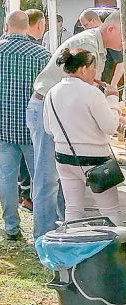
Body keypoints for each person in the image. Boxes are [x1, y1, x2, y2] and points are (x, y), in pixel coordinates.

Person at [29, 11, 122, 237]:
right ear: (83, 68)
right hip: (87, 153)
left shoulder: (60, 89)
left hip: (64, 147)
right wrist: (111, 99)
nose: (123, 43)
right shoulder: (87, 46)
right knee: (46, 179)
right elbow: (107, 124)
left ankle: (68, 241)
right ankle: (44, 235)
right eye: (123, 36)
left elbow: (54, 127)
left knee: (71, 203)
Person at [0, 11, 50, 240]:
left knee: (7, 178)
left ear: (6, 26)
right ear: (28, 26)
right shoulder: (41, 54)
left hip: (1, 124)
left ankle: (11, 227)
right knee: (40, 178)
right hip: (31, 126)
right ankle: (42, 229)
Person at [43, 48, 125, 226]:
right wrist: (112, 100)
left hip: (64, 156)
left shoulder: (52, 92)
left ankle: (73, 245)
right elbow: (110, 126)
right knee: (110, 210)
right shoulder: (93, 93)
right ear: (83, 69)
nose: (96, 72)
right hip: (94, 158)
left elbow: (49, 129)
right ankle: (117, 248)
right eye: (93, 68)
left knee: (73, 208)